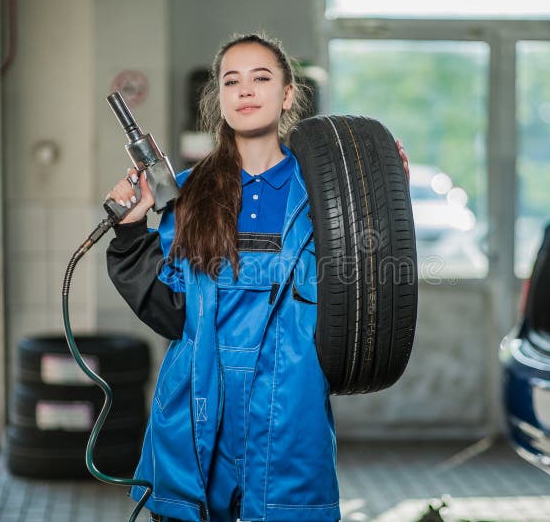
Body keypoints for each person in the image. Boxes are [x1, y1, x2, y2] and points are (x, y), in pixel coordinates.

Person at [106, 32, 409, 522]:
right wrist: (130, 231)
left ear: (288, 94)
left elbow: (366, 290)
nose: (245, 90)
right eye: (232, 81)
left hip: (291, 409)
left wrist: (384, 197)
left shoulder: (330, 199)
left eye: (261, 78)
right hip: (196, 405)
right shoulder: (184, 194)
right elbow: (170, 310)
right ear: (220, 99)